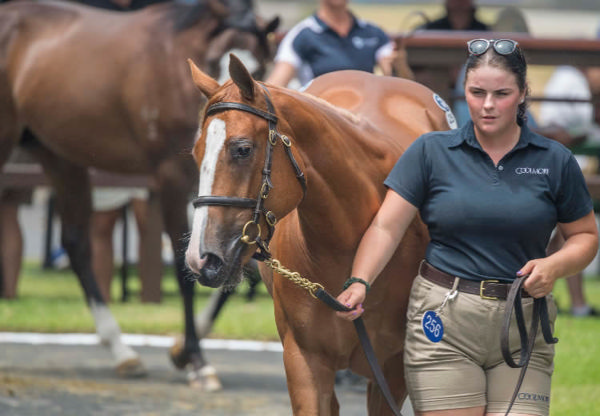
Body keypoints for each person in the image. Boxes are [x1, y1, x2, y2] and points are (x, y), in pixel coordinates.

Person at [336, 39, 598, 415]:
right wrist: (360, 280)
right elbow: (386, 228)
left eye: (502, 94)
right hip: (444, 319)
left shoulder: (554, 160)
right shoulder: (430, 151)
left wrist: (554, 265)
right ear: (465, 91)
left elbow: (585, 236)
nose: (488, 105)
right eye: (477, 93)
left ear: (524, 93)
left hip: (522, 322)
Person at [539, 65, 600, 317]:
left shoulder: (573, 80)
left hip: (575, 161)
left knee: (563, 239)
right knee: (563, 235)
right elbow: (560, 132)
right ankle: (577, 304)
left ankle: (576, 304)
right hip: (569, 164)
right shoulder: (568, 79)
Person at [266, 0, 395, 88]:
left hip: (366, 116)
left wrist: (399, 64)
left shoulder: (373, 32)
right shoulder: (301, 35)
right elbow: (275, 86)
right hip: (322, 117)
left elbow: (395, 80)